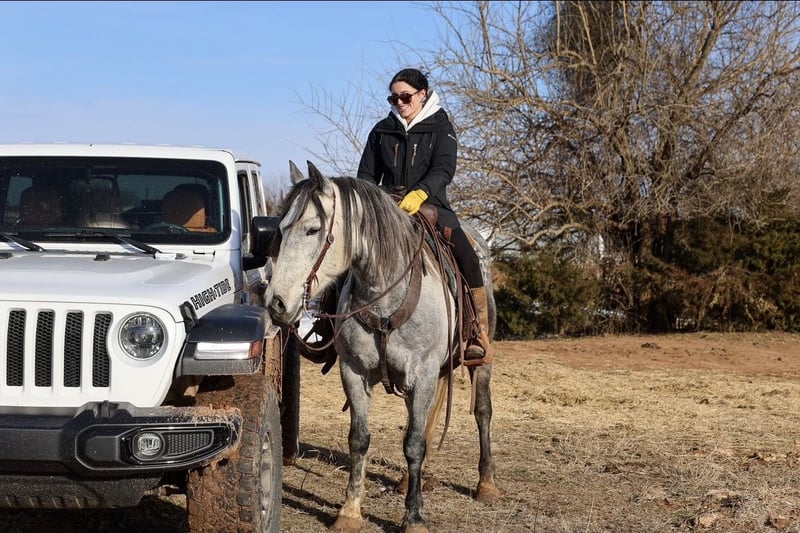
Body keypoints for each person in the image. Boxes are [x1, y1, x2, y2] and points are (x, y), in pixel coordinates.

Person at [357, 67, 492, 365]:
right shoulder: (381, 130)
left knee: (469, 259)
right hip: (388, 209)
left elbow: (444, 168)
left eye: (405, 97)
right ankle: (330, 326)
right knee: (352, 251)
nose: (399, 103)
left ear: (422, 95)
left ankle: (474, 332)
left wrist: (420, 193)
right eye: (393, 98)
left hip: (432, 206)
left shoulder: (441, 126)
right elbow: (366, 175)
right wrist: (377, 202)